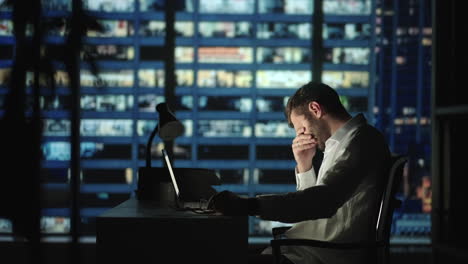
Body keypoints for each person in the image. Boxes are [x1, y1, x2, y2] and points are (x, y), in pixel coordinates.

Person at [208, 81, 391, 264]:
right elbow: (313, 203)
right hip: (310, 250)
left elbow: (321, 203)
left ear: (315, 109)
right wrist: (304, 164)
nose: (302, 137)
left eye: (302, 129)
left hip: (322, 256)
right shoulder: (341, 144)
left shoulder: (361, 141)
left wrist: (249, 205)